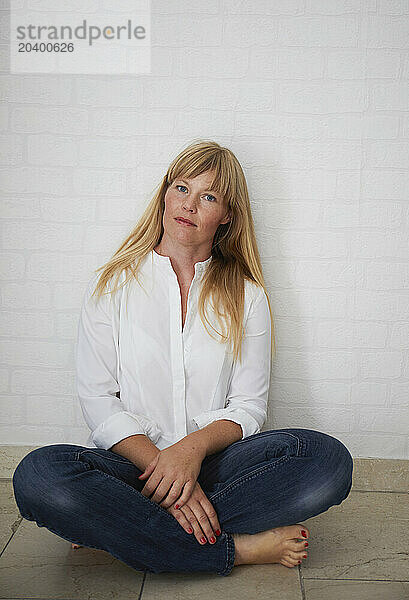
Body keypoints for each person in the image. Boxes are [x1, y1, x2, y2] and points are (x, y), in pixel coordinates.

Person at [12, 140, 353, 577]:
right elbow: (98, 400)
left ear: (227, 215)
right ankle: (238, 549)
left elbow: (248, 407)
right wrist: (164, 468)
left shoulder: (247, 295)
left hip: (217, 467)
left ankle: (119, 527)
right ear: (165, 194)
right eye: (182, 188)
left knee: (326, 460)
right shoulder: (112, 285)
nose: (189, 205)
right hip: (132, 466)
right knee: (39, 475)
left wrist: (190, 454)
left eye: (208, 196)